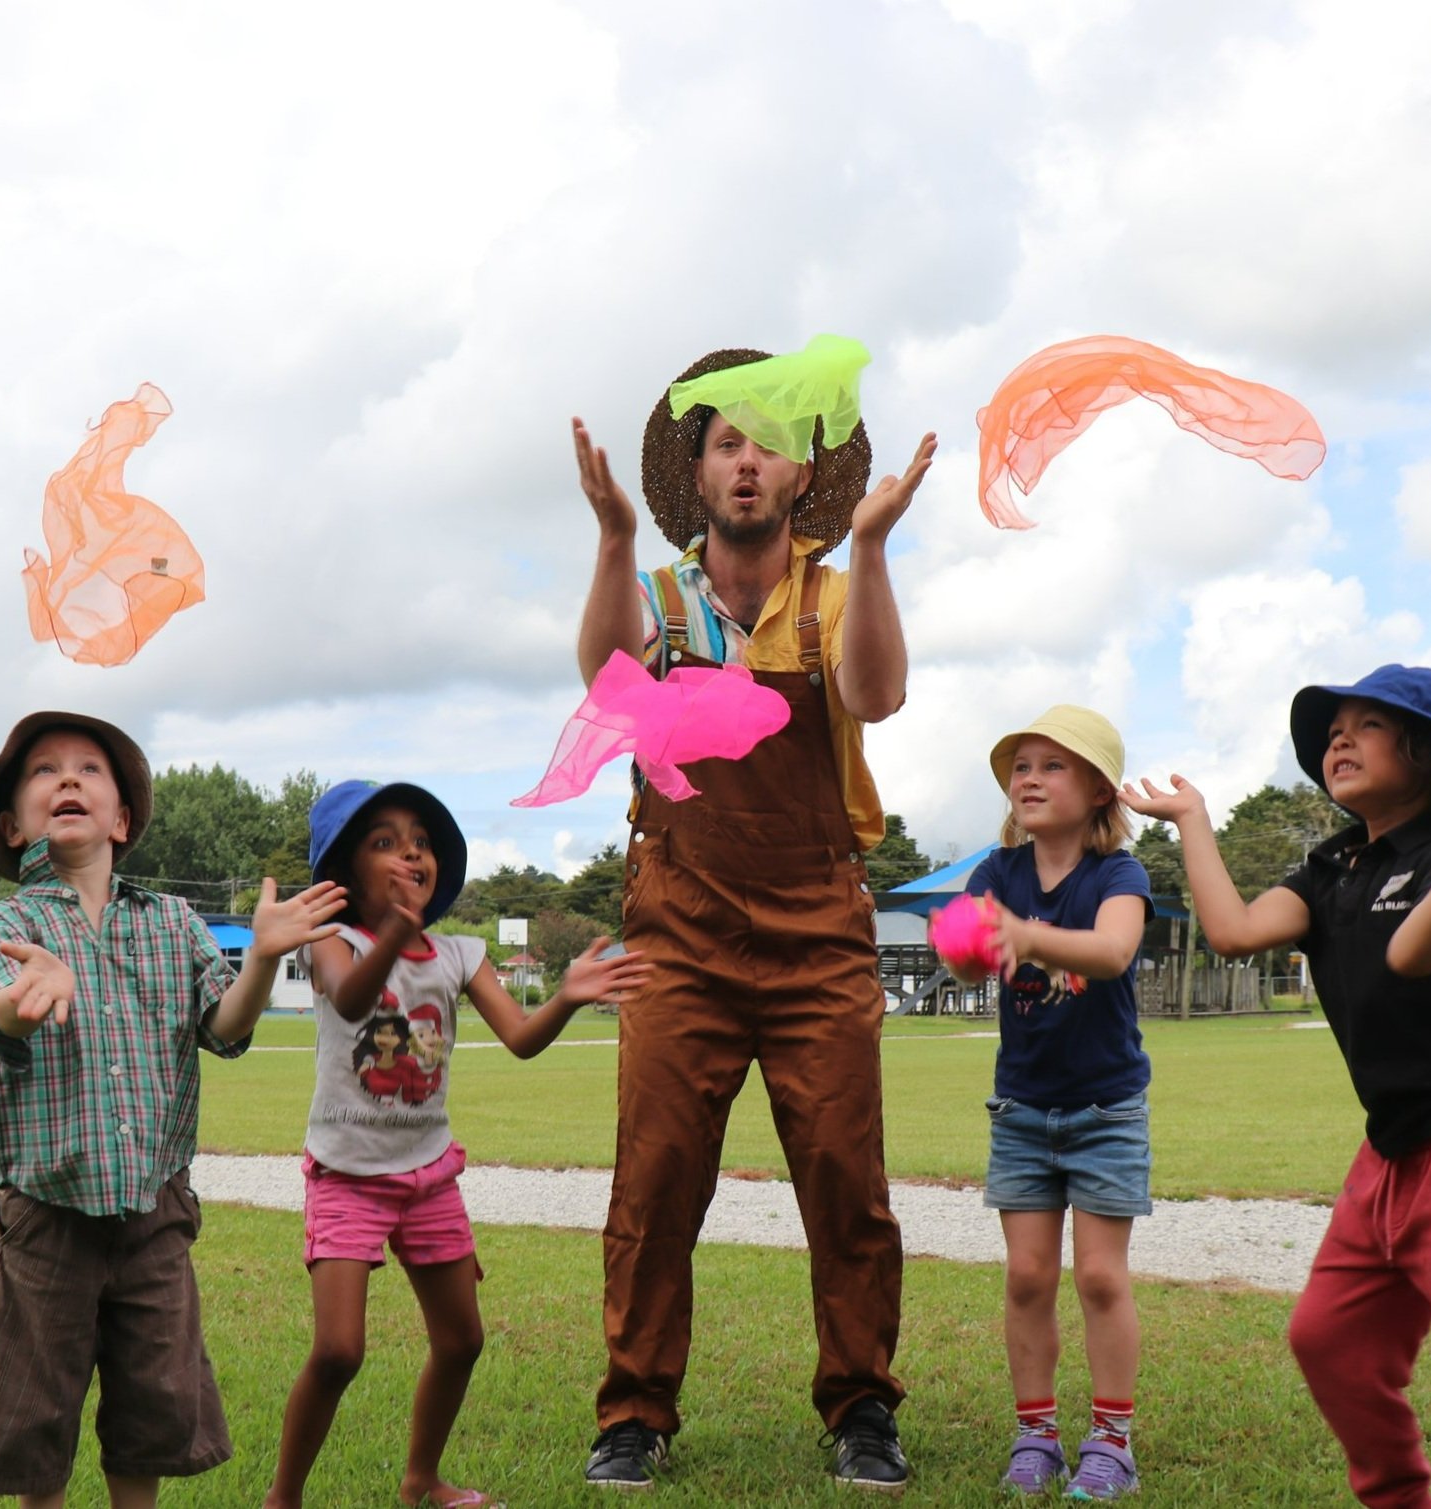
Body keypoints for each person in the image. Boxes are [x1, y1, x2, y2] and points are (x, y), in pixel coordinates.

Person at [570, 348, 937, 1490]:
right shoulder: (663, 598)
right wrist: (614, 540)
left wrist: (872, 548)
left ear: (800, 475)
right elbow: (608, 690)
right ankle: (633, 1412)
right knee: (657, 1176)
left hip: (817, 924)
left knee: (844, 1176)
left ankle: (862, 1408)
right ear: (699, 470)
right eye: (725, 442)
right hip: (679, 928)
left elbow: (875, 697)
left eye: (766, 445)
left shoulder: (833, 593)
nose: (744, 463)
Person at [1120, 665, 1431, 1509]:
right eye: (1333, 727)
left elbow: (1412, 955)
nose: (1340, 737)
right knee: (1330, 1340)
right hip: (1386, 1156)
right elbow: (1230, 932)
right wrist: (1192, 818)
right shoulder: (1330, 868)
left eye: (1368, 725)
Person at [0, 710, 346, 1509]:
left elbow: (224, 1027)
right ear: (11, 820)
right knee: (37, 1413)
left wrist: (263, 959)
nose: (67, 779)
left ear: (121, 818)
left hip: (155, 1212)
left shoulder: (171, 923)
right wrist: (27, 998)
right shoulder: (10, 924)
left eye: (89, 770)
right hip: (47, 1212)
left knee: (152, 1405)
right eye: (44, 772)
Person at [264, 780, 648, 1509]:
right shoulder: (331, 944)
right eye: (384, 840)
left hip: (430, 1177)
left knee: (462, 1339)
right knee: (339, 1348)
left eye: (421, 840)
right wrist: (396, 932)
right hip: (347, 1175)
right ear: (344, 872)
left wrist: (564, 995)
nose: (410, 851)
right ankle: (282, 1497)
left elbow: (521, 1040)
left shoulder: (460, 953)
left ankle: (421, 1479)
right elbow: (349, 999)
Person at [948, 707, 1153, 1499]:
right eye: (1019, 765)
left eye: (1050, 765)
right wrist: (967, 944)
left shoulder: (1117, 876)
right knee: (1028, 1275)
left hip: (1105, 1111)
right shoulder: (995, 874)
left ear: (1099, 787)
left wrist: (1026, 937)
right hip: (1023, 1110)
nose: (1027, 777)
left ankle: (1110, 1442)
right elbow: (970, 964)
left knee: (1100, 1278)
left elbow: (1109, 951)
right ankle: (1035, 1434)